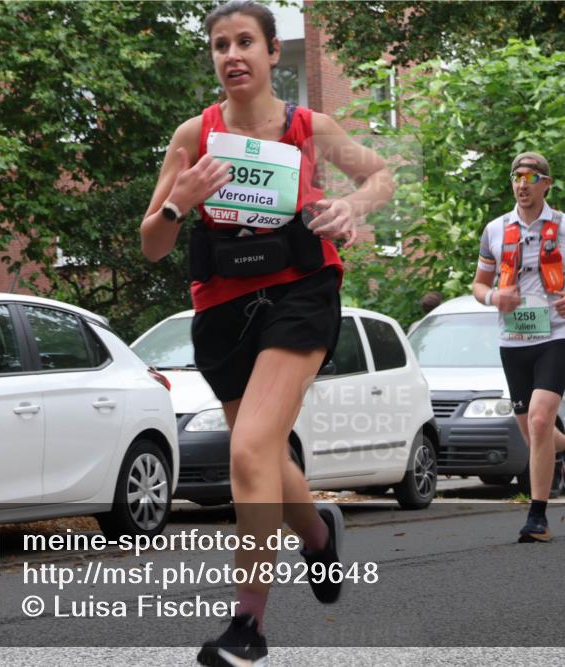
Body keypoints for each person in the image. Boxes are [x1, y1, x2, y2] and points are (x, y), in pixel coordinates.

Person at [139, 2, 393, 664]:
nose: (232, 55)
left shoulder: (310, 126)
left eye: (245, 41)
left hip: (300, 295)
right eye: (220, 44)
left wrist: (350, 205)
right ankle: (315, 532)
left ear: (273, 52)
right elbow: (153, 244)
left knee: (249, 449)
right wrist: (179, 200)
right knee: (268, 457)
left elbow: (380, 175)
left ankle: (246, 623)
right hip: (222, 308)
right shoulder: (194, 135)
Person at [473, 152, 565, 543]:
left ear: (546, 183)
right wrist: (494, 297)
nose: (522, 184)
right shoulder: (495, 230)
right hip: (513, 338)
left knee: (538, 419)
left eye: (530, 177)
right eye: (516, 177)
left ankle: (537, 517)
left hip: (557, 334)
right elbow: (479, 284)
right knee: (536, 434)